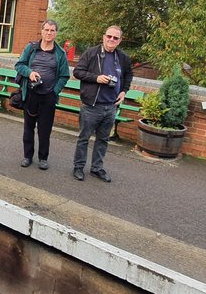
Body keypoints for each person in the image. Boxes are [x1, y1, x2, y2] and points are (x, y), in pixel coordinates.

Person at [72, 25, 131, 182]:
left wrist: (124, 91)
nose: (111, 40)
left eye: (115, 38)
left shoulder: (122, 57)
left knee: (103, 140)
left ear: (120, 40)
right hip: (91, 105)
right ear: (103, 36)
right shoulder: (92, 53)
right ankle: (78, 167)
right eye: (109, 36)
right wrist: (96, 78)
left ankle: (96, 168)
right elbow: (77, 72)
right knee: (84, 138)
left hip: (111, 106)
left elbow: (129, 75)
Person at [13, 19, 70, 170]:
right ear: (42, 31)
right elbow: (19, 65)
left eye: (52, 30)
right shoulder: (31, 48)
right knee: (28, 127)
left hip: (48, 97)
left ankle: (43, 158)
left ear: (56, 33)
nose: (49, 33)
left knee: (45, 130)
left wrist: (54, 91)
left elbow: (64, 76)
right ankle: (27, 156)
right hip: (31, 93)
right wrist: (30, 72)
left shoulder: (60, 53)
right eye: (46, 30)